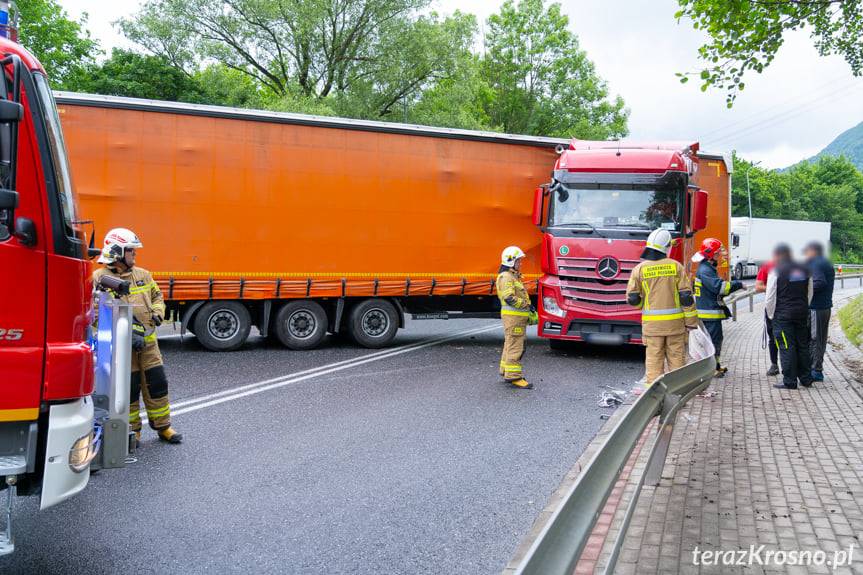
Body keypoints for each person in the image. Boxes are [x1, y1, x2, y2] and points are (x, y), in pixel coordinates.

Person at [93, 228, 183, 444]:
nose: (135, 255)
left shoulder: (143, 275)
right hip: (123, 349)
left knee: (157, 384)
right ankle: (133, 432)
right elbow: (95, 314)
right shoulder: (99, 279)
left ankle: (164, 427)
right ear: (118, 253)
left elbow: (157, 296)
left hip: (149, 345)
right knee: (129, 389)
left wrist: (158, 313)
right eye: (131, 251)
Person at [626, 229, 698, 387]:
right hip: (675, 326)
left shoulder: (639, 269)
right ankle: (677, 394)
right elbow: (686, 298)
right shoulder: (676, 267)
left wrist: (644, 305)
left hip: (652, 327)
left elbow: (632, 299)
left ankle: (654, 398)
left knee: (653, 362)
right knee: (677, 361)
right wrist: (691, 322)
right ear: (667, 247)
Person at [692, 238, 744, 377]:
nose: (719, 256)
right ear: (710, 255)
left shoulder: (707, 268)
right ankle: (711, 369)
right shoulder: (706, 270)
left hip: (709, 311)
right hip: (709, 313)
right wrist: (738, 284)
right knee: (712, 341)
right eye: (717, 253)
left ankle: (715, 366)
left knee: (715, 340)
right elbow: (720, 288)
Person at [765, 244, 813, 389]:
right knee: (803, 345)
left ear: (779, 255)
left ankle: (790, 381)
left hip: (783, 316)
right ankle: (806, 379)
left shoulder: (776, 271)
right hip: (802, 314)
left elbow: (770, 297)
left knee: (787, 347)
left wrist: (772, 315)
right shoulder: (805, 270)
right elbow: (810, 292)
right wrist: (805, 307)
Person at [496, 246, 537, 390]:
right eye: (518, 261)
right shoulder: (507, 277)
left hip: (515, 318)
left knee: (510, 343)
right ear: (511, 261)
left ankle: (505, 371)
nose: (521, 263)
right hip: (514, 319)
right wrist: (526, 305)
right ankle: (514, 377)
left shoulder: (512, 276)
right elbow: (508, 297)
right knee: (516, 346)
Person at [805, 241, 834, 381]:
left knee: (814, 339)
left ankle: (815, 371)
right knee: (820, 339)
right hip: (824, 307)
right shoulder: (824, 261)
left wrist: (804, 291)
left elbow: (819, 282)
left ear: (813, 250)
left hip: (817, 307)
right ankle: (815, 369)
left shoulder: (816, 263)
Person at [755, 251, 781, 376]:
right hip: (772, 307)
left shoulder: (794, 266)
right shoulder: (768, 266)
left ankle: (791, 366)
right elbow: (758, 287)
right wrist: (773, 287)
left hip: (788, 307)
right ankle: (774, 364)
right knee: (773, 337)